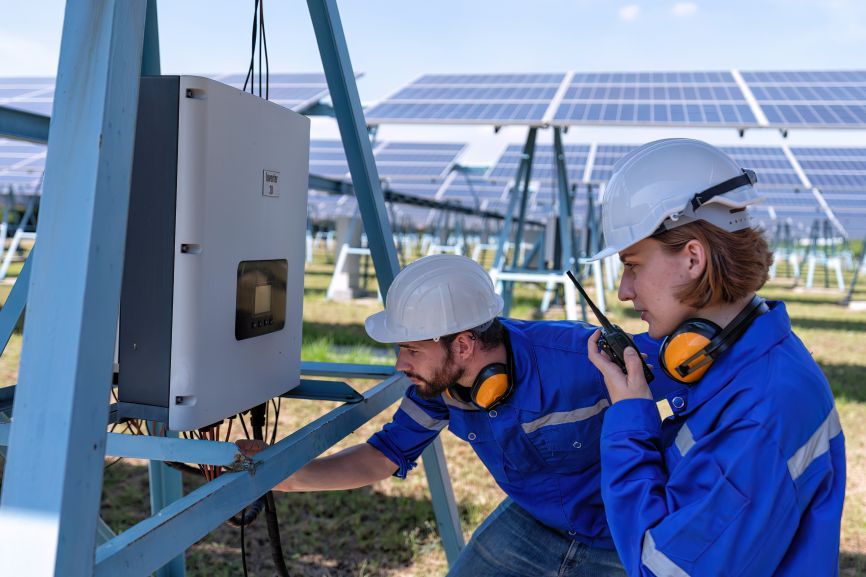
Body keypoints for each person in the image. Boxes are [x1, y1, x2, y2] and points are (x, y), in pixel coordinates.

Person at [239, 253, 677, 577]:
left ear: (464, 345)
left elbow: (692, 362)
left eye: (411, 349)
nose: (400, 364)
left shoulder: (578, 357)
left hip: (622, 534)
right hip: (532, 522)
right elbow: (384, 455)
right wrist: (290, 476)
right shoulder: (440, 386)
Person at [584, 138, 846, 577]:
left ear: (692, 258)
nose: (624, 292)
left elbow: (659, 571)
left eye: (632, 265)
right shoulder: (740, 357)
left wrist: (630, 420)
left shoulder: (763, 413)